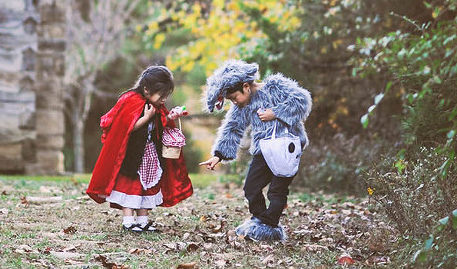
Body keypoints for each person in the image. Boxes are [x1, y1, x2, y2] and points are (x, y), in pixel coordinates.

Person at [200, 59, 311, 243]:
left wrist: (276, 112)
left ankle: (269, 224)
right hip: (263, 150)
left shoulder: (276, 87)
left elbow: (302, 100)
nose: (234, 102)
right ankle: (260, 221)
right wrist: (218, 155)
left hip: (286, 148)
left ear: (246, 87)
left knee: (277, 190)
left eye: (235, 97)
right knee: (251, 187)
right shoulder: (242, 106)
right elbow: (233, 127)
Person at [86, 65, 193, 231]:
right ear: (146, 89)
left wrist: (170, 116)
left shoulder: (155, 105)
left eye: (167, 95)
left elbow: (161, 122)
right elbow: (127, 127)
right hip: (132, 156)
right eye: (161, 94)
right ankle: (128, 222)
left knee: (147, 188)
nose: (164, 99)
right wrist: (147, 117)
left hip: (150, 155)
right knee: (130, 188)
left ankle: (143, 220)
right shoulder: (130, 99)